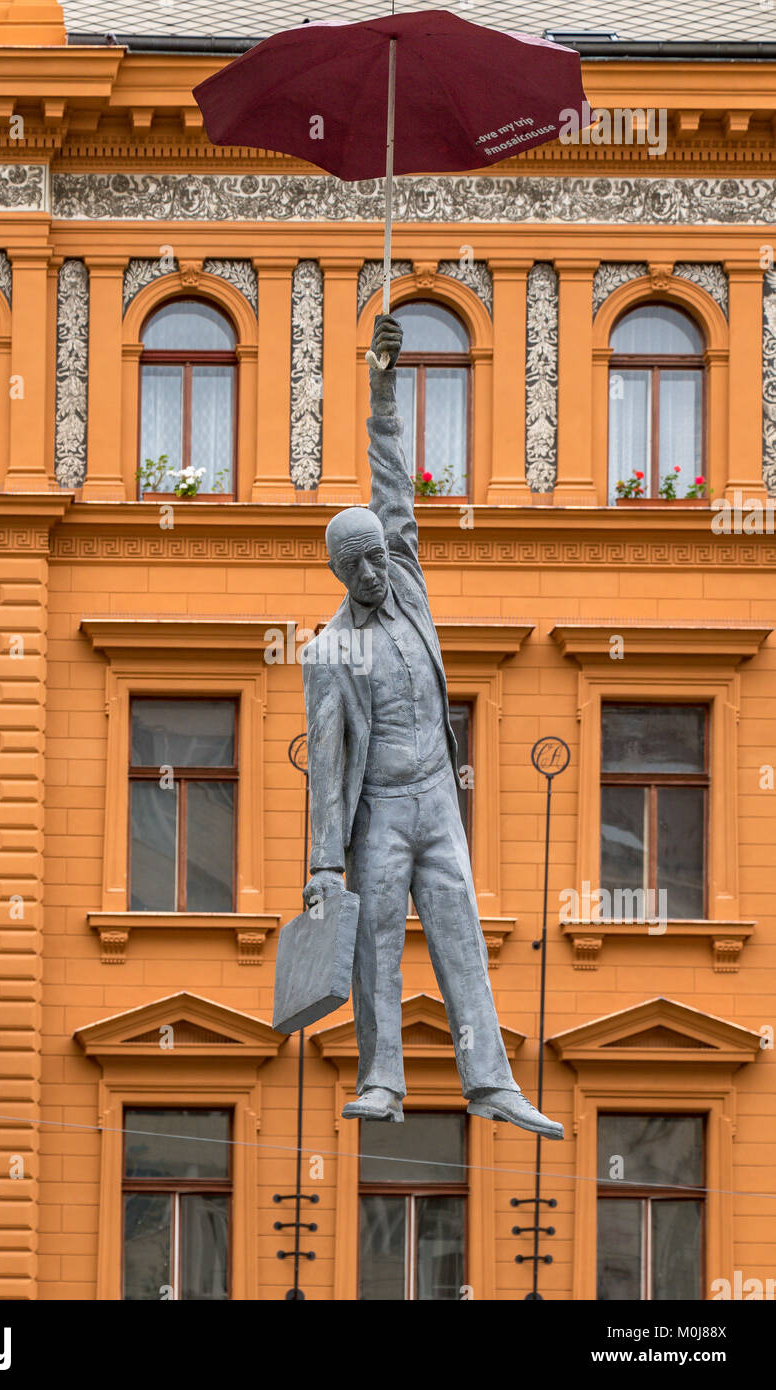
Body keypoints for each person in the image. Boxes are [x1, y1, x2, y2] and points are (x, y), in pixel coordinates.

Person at [300, 313, 563, 1139]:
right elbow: (330, 765)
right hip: (380, 811)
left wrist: (382, 388)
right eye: (361, 564)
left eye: (382, 555)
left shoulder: (409, 584)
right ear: (341, 571)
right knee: (376, 945)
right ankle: (383, 1080)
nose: (377, 571)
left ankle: (491, 1083)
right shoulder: (329, 649)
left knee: (461, 938)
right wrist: (321, 866)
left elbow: (392, 481)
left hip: (437, 804)